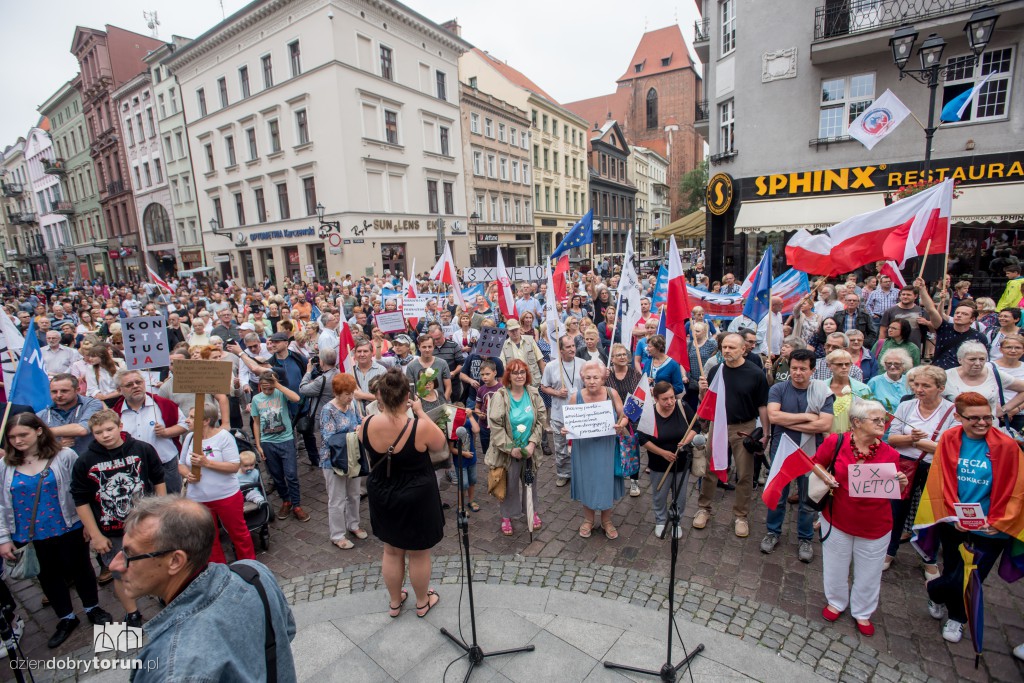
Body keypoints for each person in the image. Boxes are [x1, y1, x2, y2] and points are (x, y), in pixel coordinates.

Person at [112, 496, 297, 681]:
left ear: (176, 561)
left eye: (130, 554)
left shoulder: (172, 669)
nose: (114, 565)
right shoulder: (253, 572)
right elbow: (286, 631)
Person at [915, 392, 1024, 644]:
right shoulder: (949, 439)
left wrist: (1000, 522)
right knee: (955, 570)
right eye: (974, 418)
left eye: (987, 417)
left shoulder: (1007, 446)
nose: (982, 423)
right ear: (958, 417)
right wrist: (951, 515)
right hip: (954, 522)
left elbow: (1018, 488)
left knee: (974, 575)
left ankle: (955, 615)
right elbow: (940, 480)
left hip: (991, 526)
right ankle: (943, 597)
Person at [0, 414, 113, 648]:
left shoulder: (64, 456)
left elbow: (81, 491)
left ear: (39, 431)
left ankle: (92, 607)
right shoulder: (4, 466)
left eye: (23, 434)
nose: (17, 441)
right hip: (29, 534)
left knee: (81, 568)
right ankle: (66, 617)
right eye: (12, 437)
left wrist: (88, 524)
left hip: (68, 525)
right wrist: (3, 538)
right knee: (48, 576)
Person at [358, 368, 447, 618]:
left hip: (383, 492)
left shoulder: (366, 423)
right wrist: (419, 412)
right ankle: (421, 602)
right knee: (419, 552)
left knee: (391, 549)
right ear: (407, 395)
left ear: (379, 397)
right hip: (417, 494)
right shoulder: (419, 428)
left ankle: (395, 603)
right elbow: (441, 444)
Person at [817, 400, 907, 636]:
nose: (882, 424)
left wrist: (902, 483)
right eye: (876, 420)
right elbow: (816, 464)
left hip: (875, 524)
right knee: (835, 565)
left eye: (883, 420)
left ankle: (863, 612)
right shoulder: (835, 442)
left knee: (870, 571)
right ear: (856, 422)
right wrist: (826, 477)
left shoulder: (890, 453)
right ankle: (836, 601)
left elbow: (897, 491)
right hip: (838, 517)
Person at [71, 409, 167, 628]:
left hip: (144, 523)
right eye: (98, 432)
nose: (105, 435)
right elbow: (80, 499)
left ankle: (164, 592)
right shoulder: (85, 461)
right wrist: (95, 535)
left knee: (157, 562)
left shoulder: (142, 449)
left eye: (109, 429)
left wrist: (162, 512)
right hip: (111, 530)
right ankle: (132, 611)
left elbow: (158, 479)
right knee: (119, 572)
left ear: (120, 426)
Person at [693, 333, 770, 538]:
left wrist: (766, 433)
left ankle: (741, 516)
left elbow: (763, 405)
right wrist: (702, 392)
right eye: (724, 347)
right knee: (711, 469)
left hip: (743, 427)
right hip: (717, 426)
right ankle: (704, 508)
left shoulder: (756, 374)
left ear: (743, 349)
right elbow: (707, 402)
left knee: (745, 473)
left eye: (732, 348)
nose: (727, 351)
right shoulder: (716, 371)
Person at [761, 349, 835, 563]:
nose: (797, 372)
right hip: (783, 449)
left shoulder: (822, 392)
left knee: (807, 498)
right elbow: (774, 416)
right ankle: (773, 532)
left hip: (812, 452)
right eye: (794, 368)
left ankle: (805, 538)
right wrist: (807, 417)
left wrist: (789, 419)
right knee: (779, 493)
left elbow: (825, 424)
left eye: (803, 369)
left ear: (812, 370)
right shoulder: (778, 388)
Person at [885, 365, 957, 576]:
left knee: (930, 514)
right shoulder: (907, 405)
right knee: (896, 510)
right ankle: (889, 551)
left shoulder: (951, 411)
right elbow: (892, 438)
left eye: (926, 385)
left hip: (934, 467)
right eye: (916, 384)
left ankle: (929, 559)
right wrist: (912, 439)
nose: (919, 389)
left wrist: (916, 442)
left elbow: (949, 447)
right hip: (904, 464)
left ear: (940, 388)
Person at [178, 403, 255, 563]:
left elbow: (234, 466)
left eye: (192, 417)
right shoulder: (190, 438)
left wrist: (207, 463)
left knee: (238, 534)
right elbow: (181, 464)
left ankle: (249, 565)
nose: (187, 420)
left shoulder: (224, 437)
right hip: (198, 498)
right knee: (209, 538)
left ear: (206, 421)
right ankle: (218, 570)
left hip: (225, 496)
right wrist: (188, 474)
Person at [566, 360, 628, 539]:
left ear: (602, 378)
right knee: (587, 481)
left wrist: (620, 424)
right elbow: (569, 422)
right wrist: (566, 429)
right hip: (584, 447)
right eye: (588, 377)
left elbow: (624, 415)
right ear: (582, 378)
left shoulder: (612, 393)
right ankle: (588, 520)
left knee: (605, 480)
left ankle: (607, 521)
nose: (592, 381)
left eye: (596, 377)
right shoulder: (575, 396)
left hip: (607, 445)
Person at [485, 359, 546, 536]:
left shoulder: (533, 393)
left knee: (530, 482)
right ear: (508, 376)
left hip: (529, 450)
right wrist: (511, 448)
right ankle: (507, 516)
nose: (519, 376)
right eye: (515, 372)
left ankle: (531, 511)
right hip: (508, 452)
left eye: (522, 372)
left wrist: (533, 443)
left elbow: (541, 420)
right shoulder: (501, 396)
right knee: (510, 485)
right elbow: (495, 425)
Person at [637, 381, 702, 539]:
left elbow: (696, 426)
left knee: (679, 495)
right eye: (665, 399)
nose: (670, 402)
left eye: (672, 397)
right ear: (656, 398)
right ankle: (660, 520)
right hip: (659, 463)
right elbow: (643, 439)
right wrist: (662, 453)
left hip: (681, 461)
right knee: (660, 493)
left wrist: (687, 440)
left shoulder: (682, 406)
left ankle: (676, 521)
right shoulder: (649, 414)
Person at [112, 369, 189, 495]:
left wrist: (166, 432)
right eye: (129, 385)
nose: (136, 386)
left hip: (166, 466)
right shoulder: (115, 413)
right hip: (133, 470)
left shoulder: (163, 404)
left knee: (170, 506)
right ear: (119, 390)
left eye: (138, 382)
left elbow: (185, 424)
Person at [251, 370, 308, 522]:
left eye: (270, 388)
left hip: (286, 440)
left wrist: (277, 385)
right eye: (265, 388)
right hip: (268, 442)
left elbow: (296, 398)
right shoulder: (256, 400)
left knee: (291, 475)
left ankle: (296, 505)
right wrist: (258, 444)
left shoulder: (281, 393)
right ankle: (286, 500)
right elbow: (256, 423)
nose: (268, 391)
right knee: (277, 476)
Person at [319, 373, 367, 550]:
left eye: (352, 393)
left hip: (352, 456)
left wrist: (365, 423)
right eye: (347, 394)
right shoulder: (327, 410)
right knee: (337, 498)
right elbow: (329, 437)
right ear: (337, 393)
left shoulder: (352, 404)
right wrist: (355, 431)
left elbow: (359, 421)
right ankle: (337, 535)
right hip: (333, 460)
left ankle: (353, 525)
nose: (351, 397)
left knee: (354, 493)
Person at [542, 335, 586, 487]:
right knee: (561, 446)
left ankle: (580, 472)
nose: (572, 349)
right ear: (561, 350)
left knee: (580, 446)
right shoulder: (551, 366)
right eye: (568, 347)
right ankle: (563, 473)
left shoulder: (583, 364)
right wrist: (556, 393)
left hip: (579, 415)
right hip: (559, 414)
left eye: (573, 346)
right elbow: (544, 387)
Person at [918, 277, 989, 370]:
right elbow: (931, 309)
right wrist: (922, 288)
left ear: (972, 319)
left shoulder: (979, 336)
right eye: (957, 313)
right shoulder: (944, 328)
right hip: (940, 372)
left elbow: (983, 360)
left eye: (964, 314)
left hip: (963, 376)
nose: (959, 315)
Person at [942, 341, 1024, 417]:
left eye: (982, 359)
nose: (978, 363)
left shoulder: (994, 374)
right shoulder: (946, 376)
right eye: (972, 359)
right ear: (960, 359)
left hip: (987, 426)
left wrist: (1005, 409)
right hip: (955, 427)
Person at [38, 374, 104, 454]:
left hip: (91, 462)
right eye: (54, 392)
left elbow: (82, 429)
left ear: (77, 390)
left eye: (64, 391)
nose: (59, 395)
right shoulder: (41, 416)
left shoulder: (92, 404)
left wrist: (42, 432)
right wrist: (57, 446)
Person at [405, 334, 452, 401]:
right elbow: (410, 390)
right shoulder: (411, 367)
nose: (427, 350)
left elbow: (448, 388)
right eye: (424, 347)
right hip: (420, 405)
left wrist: (443, 404)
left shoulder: (442, 363)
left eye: (430, 347)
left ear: (434, 347)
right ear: (419, 347)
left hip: (441, 403)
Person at [500, 319, 545, 389]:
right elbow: (504, 367)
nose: (514, 332)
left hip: (533, 381)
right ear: (507, 332)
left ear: (520, 328)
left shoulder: (530, 340)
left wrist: (545, 379)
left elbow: (540, 360)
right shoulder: (503, 345)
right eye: (512, 331)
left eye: (516, 329)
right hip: (515, 384)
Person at [867, 348, 912, 415]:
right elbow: (867, 405)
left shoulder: (909, 381)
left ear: (904, 365)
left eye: (897, 364)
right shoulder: (874, 382)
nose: (892, 367)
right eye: (889, 363)